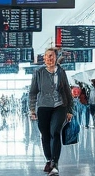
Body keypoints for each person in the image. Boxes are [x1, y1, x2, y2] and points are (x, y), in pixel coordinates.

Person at [29, 48, 74, 176]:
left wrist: (70, 109)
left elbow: (67, 90)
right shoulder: (38, 72)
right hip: (43, 107)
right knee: (45, 135)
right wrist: (32, 109)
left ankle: (55, 163)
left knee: (55, 132)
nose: (49, 58)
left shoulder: (61, 72)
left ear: (55, 57)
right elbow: (33, 92)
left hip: (60, 106)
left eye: (52, 56)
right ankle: (49, 159)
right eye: (47, 56)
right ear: (44, 58)